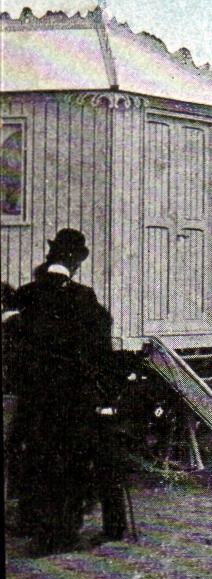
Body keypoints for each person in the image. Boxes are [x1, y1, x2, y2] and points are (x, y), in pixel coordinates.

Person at [4, 228, 122, 554]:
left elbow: (12, 343)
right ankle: (64, 532)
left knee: (37, 457)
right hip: (72, 396)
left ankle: (35, 524)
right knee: (70, 460)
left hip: (34, 394)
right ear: (76, 262)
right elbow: (100, 349)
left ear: (51, 257)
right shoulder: (84, 298)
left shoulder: (25, 295)